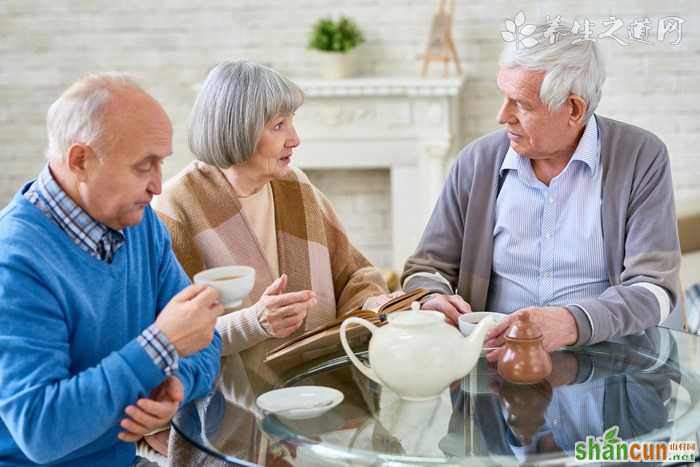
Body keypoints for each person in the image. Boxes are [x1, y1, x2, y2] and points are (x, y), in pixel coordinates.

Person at [401, 21, 681, 354]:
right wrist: (433, 298)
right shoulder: (477, 162)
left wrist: (571, 323)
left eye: (521, 104)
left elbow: (654, 288)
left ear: (574, 109)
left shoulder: (639, 156)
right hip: (496, 364)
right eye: (503, 97)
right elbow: (426, 267)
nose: (502, 116)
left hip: (611, 360)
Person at [0, 74, 222, 466]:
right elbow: (40, 430)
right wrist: (161, 346)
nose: (158, 185)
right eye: (143, 166)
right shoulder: (16, 260)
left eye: (162, 163)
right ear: (80, 161)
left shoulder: (140, 223)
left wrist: (174, 387)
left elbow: (204, 336)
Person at [154, 61, 390, 374]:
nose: (295, 138)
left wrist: (374, 305)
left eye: (292, 122)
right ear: (237, 128)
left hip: (323, 391)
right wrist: (254, 323)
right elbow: (168, 340)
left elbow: (354, 275)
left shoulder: (296, 187)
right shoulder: (175, 208)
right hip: (231, 412)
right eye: (279, 125)